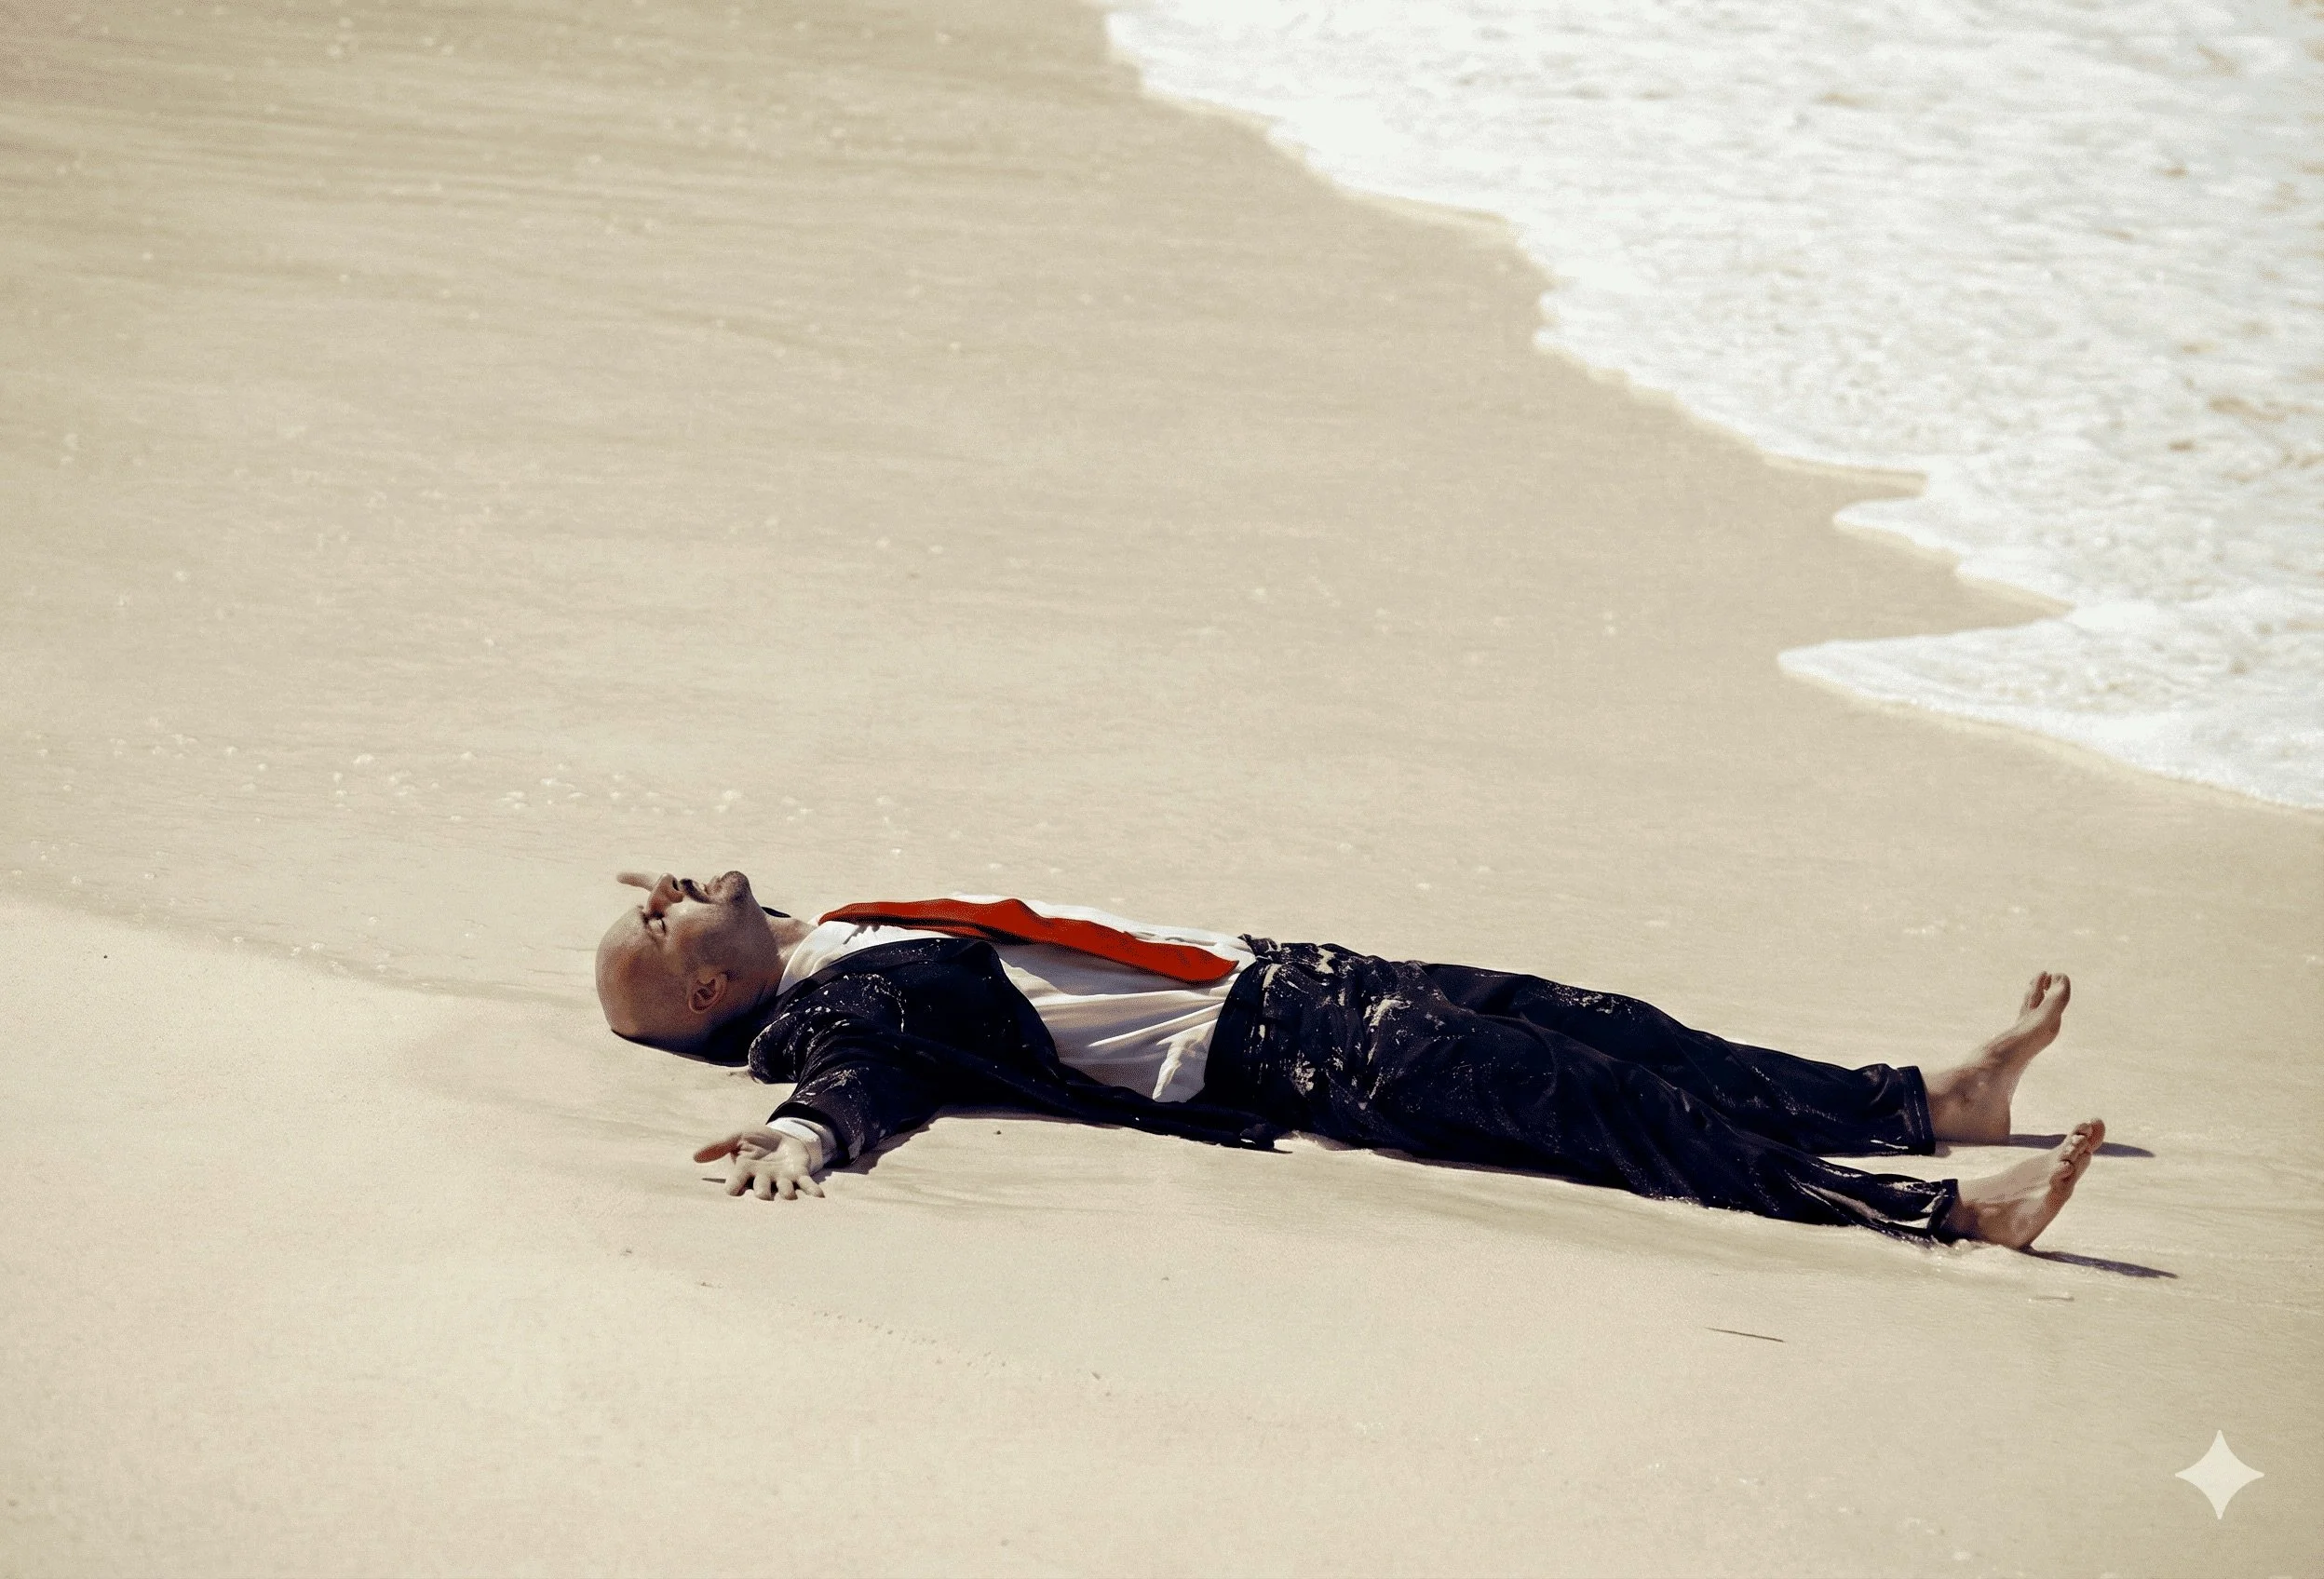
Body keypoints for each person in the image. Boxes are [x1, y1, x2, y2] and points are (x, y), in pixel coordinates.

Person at [594, 870, 2104, 1248]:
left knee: (1615, 1028)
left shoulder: (838, 926)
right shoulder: (838, 1014)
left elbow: (742, 925)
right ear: (720, 988)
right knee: (1613, 1113)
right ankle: (1938, 1213)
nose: (652, 889)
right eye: (654, 924)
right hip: (1290, 1050)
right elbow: (870, 1080)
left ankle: (1924, 1106)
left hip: (1293, 970)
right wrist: (805, 1133)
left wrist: (725, 910)